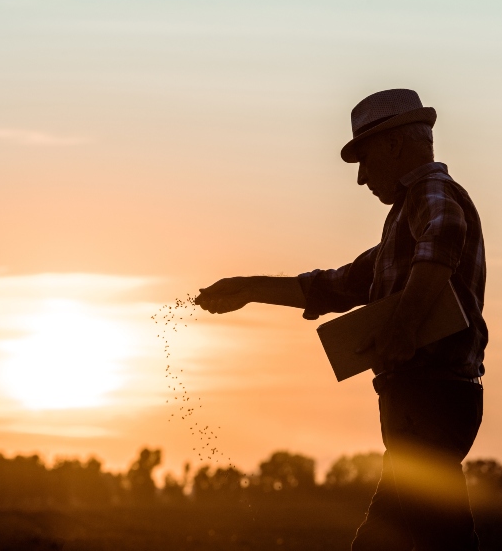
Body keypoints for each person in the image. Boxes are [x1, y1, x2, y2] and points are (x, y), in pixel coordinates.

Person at [195, 88, 487, 551]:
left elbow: (444, 235)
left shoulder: (431, 193)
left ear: (394, 144)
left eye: (364, 159)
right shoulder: (400, 228)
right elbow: (335, 286)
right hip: (417, 397)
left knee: (441, 538)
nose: (361, 178)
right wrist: (248, 289)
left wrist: (403, 328)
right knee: (381, 540)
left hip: (431, 395)